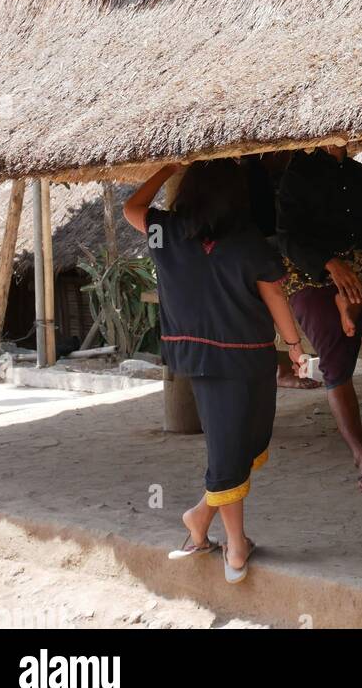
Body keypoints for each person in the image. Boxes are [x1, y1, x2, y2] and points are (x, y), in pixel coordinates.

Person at [123, 159, 304, 583]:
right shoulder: (245, 242)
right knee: (228, 452)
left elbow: (132, 207)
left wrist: (168, 171)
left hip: (217, 359)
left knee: (245, 445)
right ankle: (236, 547)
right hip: (242, 360)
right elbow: (277, 298)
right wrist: (294, 347)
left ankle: (199, 519)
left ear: (190, 191)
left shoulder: (166, 232)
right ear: (236, 196)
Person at [275, 144, 362, 492]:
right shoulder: (297, 174)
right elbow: (289, 238)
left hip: (357, 268)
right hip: (311, 272)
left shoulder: (359, 174)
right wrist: (329, 264)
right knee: (334, 348)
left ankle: (354, 303)